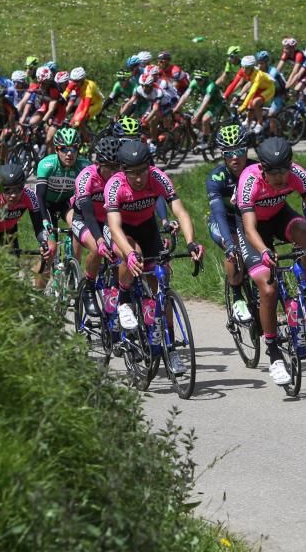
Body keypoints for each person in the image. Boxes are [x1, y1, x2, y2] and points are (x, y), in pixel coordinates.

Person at [234, 137, 306, 386]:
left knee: (303, 231)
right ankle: (274, 353)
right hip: (253, 228)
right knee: (267, 288)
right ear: (263, 169)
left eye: (284, 171)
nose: (280, 177)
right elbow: (249, 228)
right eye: (273, 172)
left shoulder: (296, 173)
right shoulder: (249, 180)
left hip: (279, 215)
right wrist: (265, 251)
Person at [104, 139, 204, 375]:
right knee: (135, 255)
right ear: (123, 171)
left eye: (143, 171)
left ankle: (169, 347)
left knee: (161, 283)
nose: (139, 178)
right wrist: (128, 254)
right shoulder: (114, 185)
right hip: (121, 231)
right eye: (132, 173)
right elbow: (114, 227)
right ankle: (124, 299)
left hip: (147, 227)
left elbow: (180, 211)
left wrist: (191, 242)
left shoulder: (158, 178)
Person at [205, 124, 257, 323]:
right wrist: (229, 244)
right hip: (224, 222)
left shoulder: (255, 169)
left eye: (240, 151)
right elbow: (218, 212)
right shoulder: (216, 178)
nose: (235, 157)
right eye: (229, 153)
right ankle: (237, 297)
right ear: (223, 154)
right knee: (234, 247)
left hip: (248, 221)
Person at [71, 136, 123, 316]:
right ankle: (89, 287)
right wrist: (100, 240)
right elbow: (88, 214)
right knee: (96, 248)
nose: (114, 172)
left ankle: (118, 291)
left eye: (117, 167)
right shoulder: (86, 177)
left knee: (119, 249)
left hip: (107, 220)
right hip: (83, 220)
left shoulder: (120, 177)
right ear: (99, 163)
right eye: (110, 167)